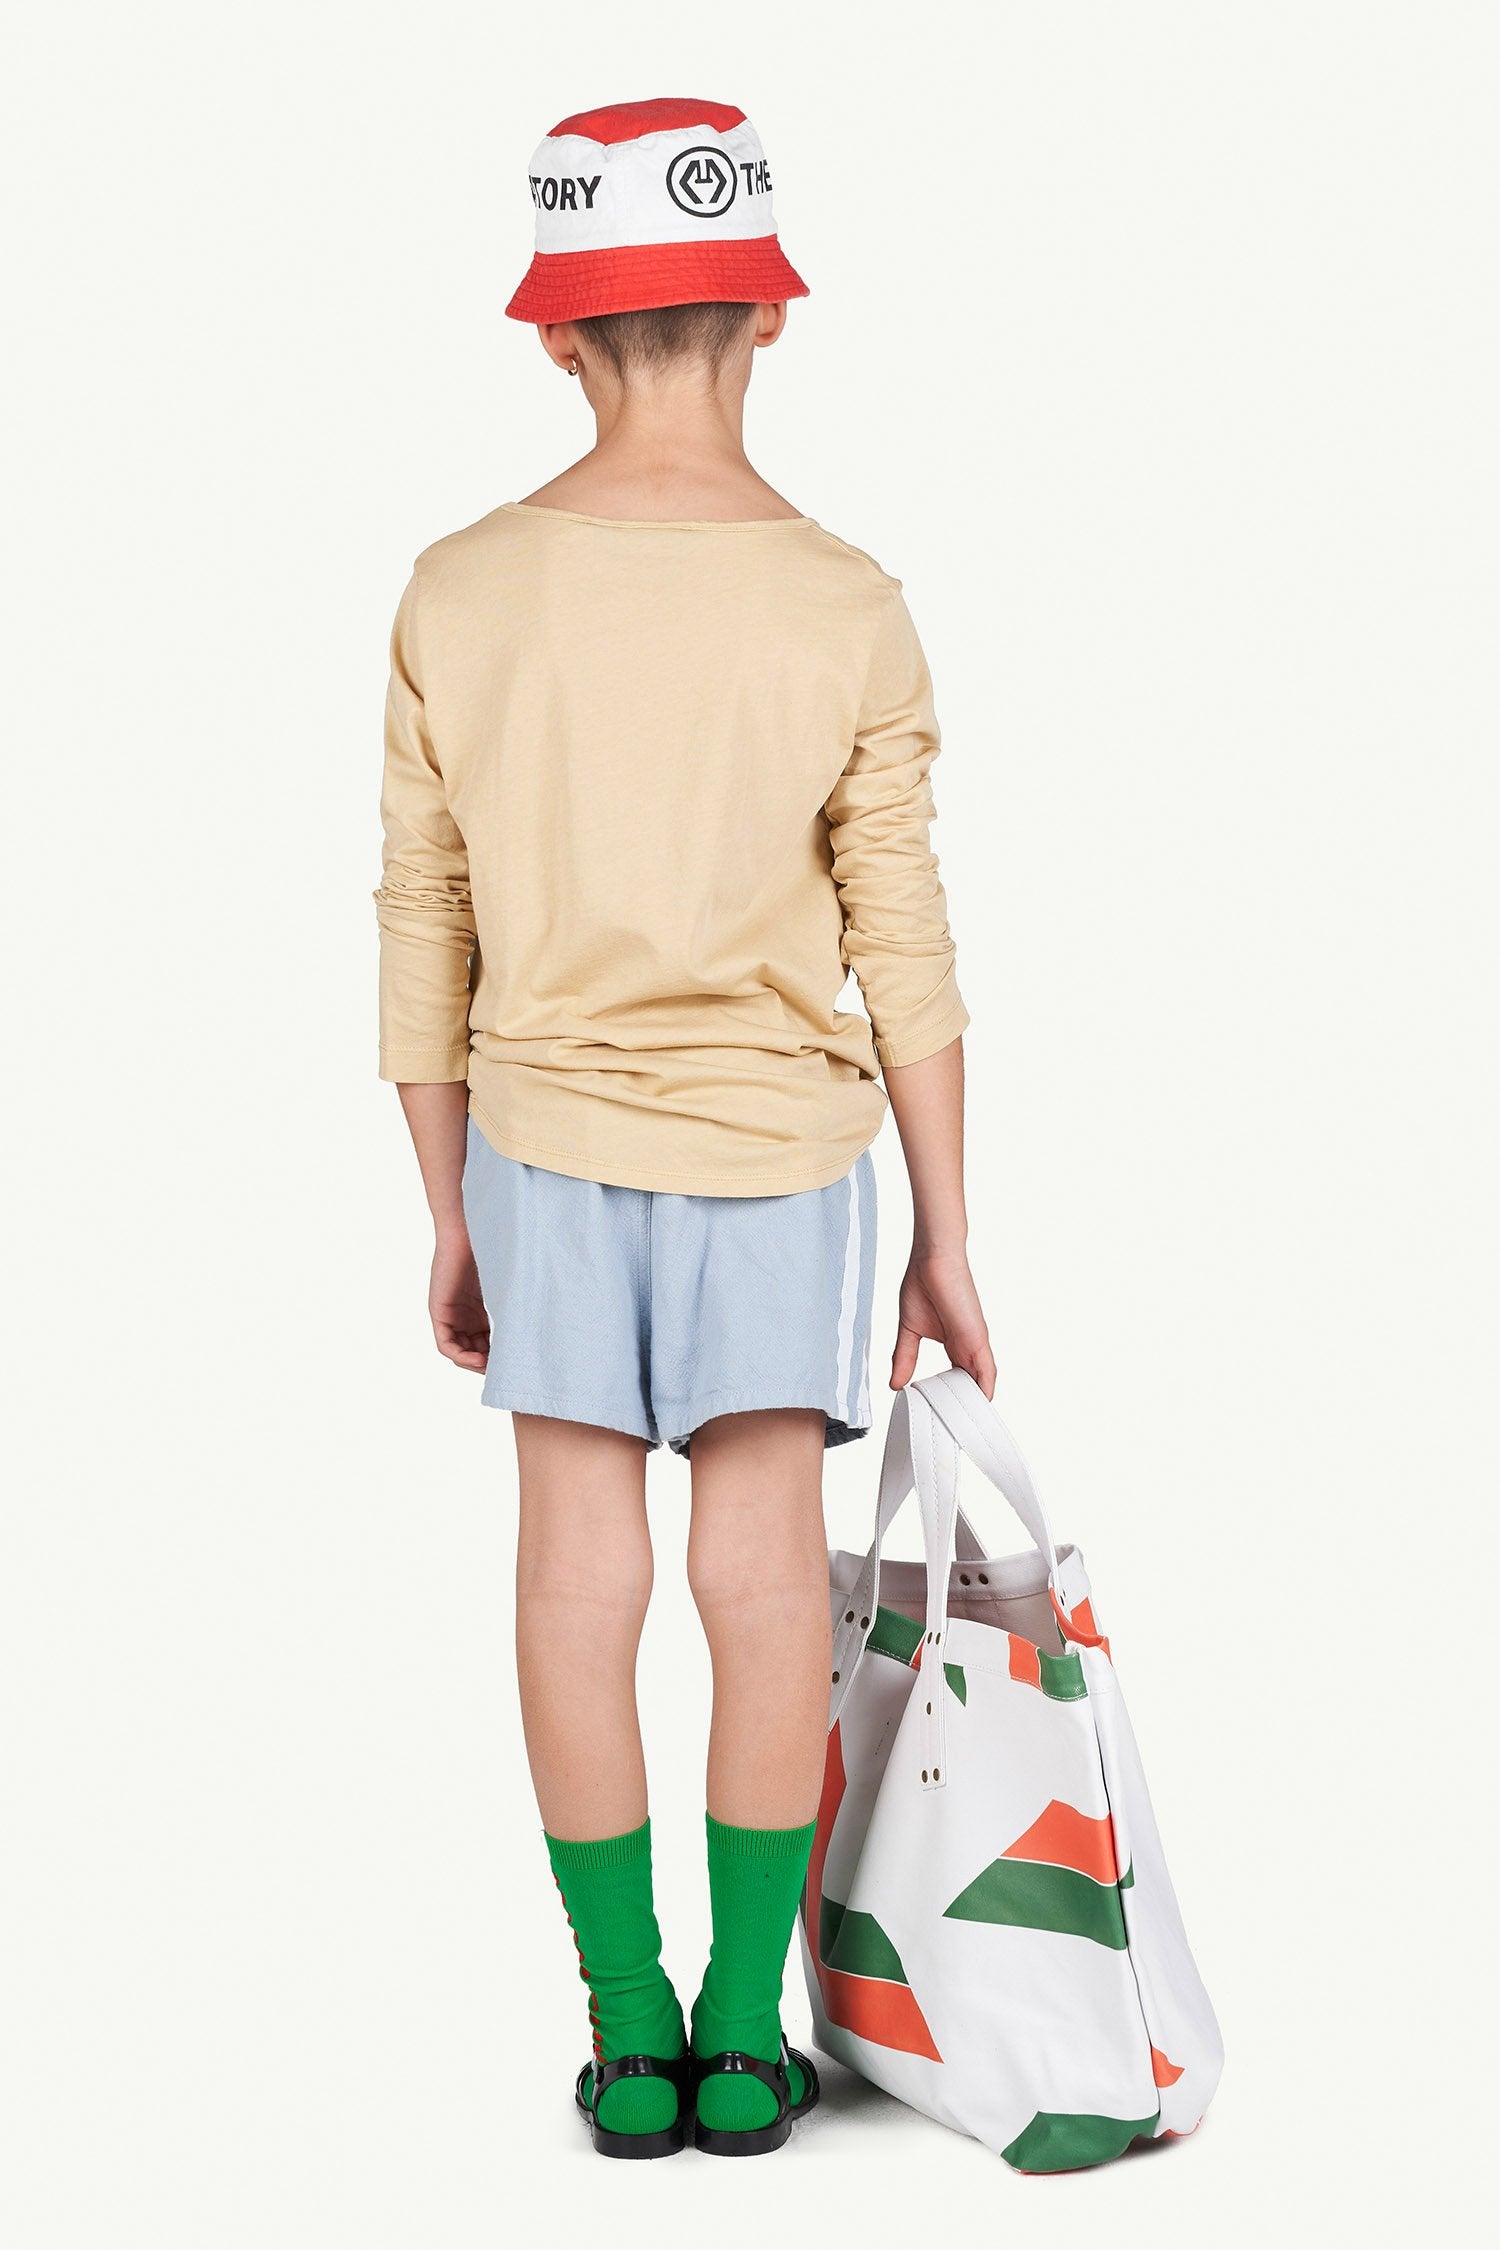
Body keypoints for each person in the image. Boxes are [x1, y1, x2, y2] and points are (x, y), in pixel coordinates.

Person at [374, 95, 993, 2160]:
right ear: (770, 319)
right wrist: (947, 1233)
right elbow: (904, 936)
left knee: (576, 1583)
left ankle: (627, 2031)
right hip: (783, 1160)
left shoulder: (461, 590)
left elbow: (424, 917)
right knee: (759, 1580)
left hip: (540, 1144)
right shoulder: (845, 602)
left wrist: (449, 1202)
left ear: (558, 331)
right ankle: (747, 2033)